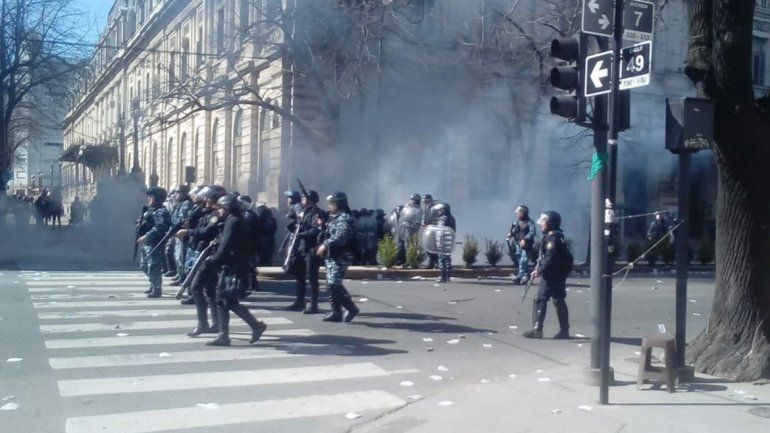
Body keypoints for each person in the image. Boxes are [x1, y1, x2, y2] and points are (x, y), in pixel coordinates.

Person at [205, 194, 268, 346]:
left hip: (233, 267)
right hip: (235, 266)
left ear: (227, 208)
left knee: (223, 300)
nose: (218, 211)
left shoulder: (233, 222)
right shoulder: (235, 220)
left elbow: (225, 246)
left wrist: (213, 260)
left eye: (220, 208)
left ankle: (226, 336)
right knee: (227, 301)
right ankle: (254, 327)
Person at [177, 185, 226, 330]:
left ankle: (204, 324)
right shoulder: (206, 212)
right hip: (202, 251)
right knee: (209, 289)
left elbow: (208, 231)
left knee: (197, 287)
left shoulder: (217, 215)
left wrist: (188, 232)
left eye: (209, 197)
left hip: (209, 254)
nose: (206, 200)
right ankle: (213, 324)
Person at [524, 211, 572, 339]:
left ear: (551, 223)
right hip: (558, 274)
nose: (542, 224)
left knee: (540, 299)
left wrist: (539, 270)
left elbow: (551, 258)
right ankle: (564, 330)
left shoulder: (552, 237)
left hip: (551, 274)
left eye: (544, 222)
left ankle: (537, 330)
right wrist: (539, 266)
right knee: (558, 300)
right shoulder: (557, 236)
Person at [316, 192, 360, 322]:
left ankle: (352, 308)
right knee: (330, 285)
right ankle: (336, 313)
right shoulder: (334, 217)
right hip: (333, 255)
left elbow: (342, 237)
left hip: (341, 255)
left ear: (339, 204)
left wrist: (325, 244)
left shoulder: (344, 218)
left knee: (334, 284)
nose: (329, 206)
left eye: (332, 204)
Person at [285, 190, 325, 313]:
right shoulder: (303, 211)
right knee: (299, 276)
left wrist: (302, 234)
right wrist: (291, 224)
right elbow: (294, 224)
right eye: (302, 198)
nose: (302, 200)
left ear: (311, 199)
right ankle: (300, 301)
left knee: (312, 278)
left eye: (305, 198)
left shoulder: (317, 213)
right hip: (301, 247)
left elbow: (316, 230)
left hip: (312, 248)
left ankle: (313, 305)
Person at [136, 187, 172, 298]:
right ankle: (153, 284)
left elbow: (161, 226)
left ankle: (157, 289)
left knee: (154, 266)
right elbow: (144, 221)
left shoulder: (161, 211)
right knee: (144, 266)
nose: (149, 198)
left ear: (158, 198)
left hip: (154, 243)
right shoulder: (150, 210)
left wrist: (147, 236)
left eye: (151, 196)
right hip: (147, 243)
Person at [169, 185, 195, 287]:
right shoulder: (180, 203)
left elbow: (181, 220)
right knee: (178, 254)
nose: (175, 195)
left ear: (183, 193)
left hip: (183, 234)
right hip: (178, 233)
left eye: (177, 193)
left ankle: (183, 277)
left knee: (182, 255)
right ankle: (180, 274)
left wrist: (175, 227)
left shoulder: (186, 204)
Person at [507, 205, 536, 285]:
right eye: (518, 213)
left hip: (526, 244)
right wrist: (510, 235)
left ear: (525, 213)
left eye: (520, 213)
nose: (518, 214)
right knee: (520, 259)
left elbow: (532, 232)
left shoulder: (530, 222)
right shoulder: (517, 222)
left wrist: (525, 239)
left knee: (524, 260)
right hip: (518, 243)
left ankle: (520, 276)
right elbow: (514, 230)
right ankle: (525, 275)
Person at [396, 193, 422, 266]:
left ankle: (414, 261)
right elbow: (403, 216)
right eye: (412, 199)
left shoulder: (419, 209)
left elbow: (419, 219)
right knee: (407, 245)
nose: (412, 201)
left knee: (414, 245)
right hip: (407, 228)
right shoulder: (408, 207)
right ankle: (409, 260)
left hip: (415, 229)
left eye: (414, 200)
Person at [434, 202, 456, 283]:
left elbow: (440, 230)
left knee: (442, 259)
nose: (439, 211)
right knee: (447, 258)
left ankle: (443, 277)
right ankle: (448, 277)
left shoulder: (443, 218)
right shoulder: (452, 218)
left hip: (442, 240)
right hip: (449, 240)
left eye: (440, 210)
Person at [254, 201, 277, 266]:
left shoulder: (260, 216)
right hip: (269, 239)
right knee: (268, 257)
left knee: (262, 258)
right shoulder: (272, 217)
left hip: (262, 239)